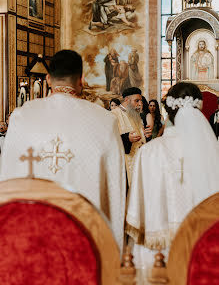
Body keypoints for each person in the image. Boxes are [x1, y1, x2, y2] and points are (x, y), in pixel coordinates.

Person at [1, 50, 126, 252]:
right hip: (85, 239)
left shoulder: (22, 116)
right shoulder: (105, 120)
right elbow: (115, 188)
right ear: (82, 80)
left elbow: (6, 178)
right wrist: (114, 252)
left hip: (31, 236)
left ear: (48, 79)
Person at [126, 82, 219, 273]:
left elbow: (137, 209)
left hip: (157, 251)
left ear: (167, 109)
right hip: (200, 246)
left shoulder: (149, 152)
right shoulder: (211, 152)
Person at [111, 87, 152, 186]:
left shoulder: (134, 114)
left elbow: (141, 136)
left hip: (138, 160)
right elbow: (109, 140)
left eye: (140, 101)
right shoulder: (113, 115)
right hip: (124, 164)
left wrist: (146, 135)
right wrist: (126, 139)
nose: (139, 104)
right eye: (136, 101)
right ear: (127, 100)